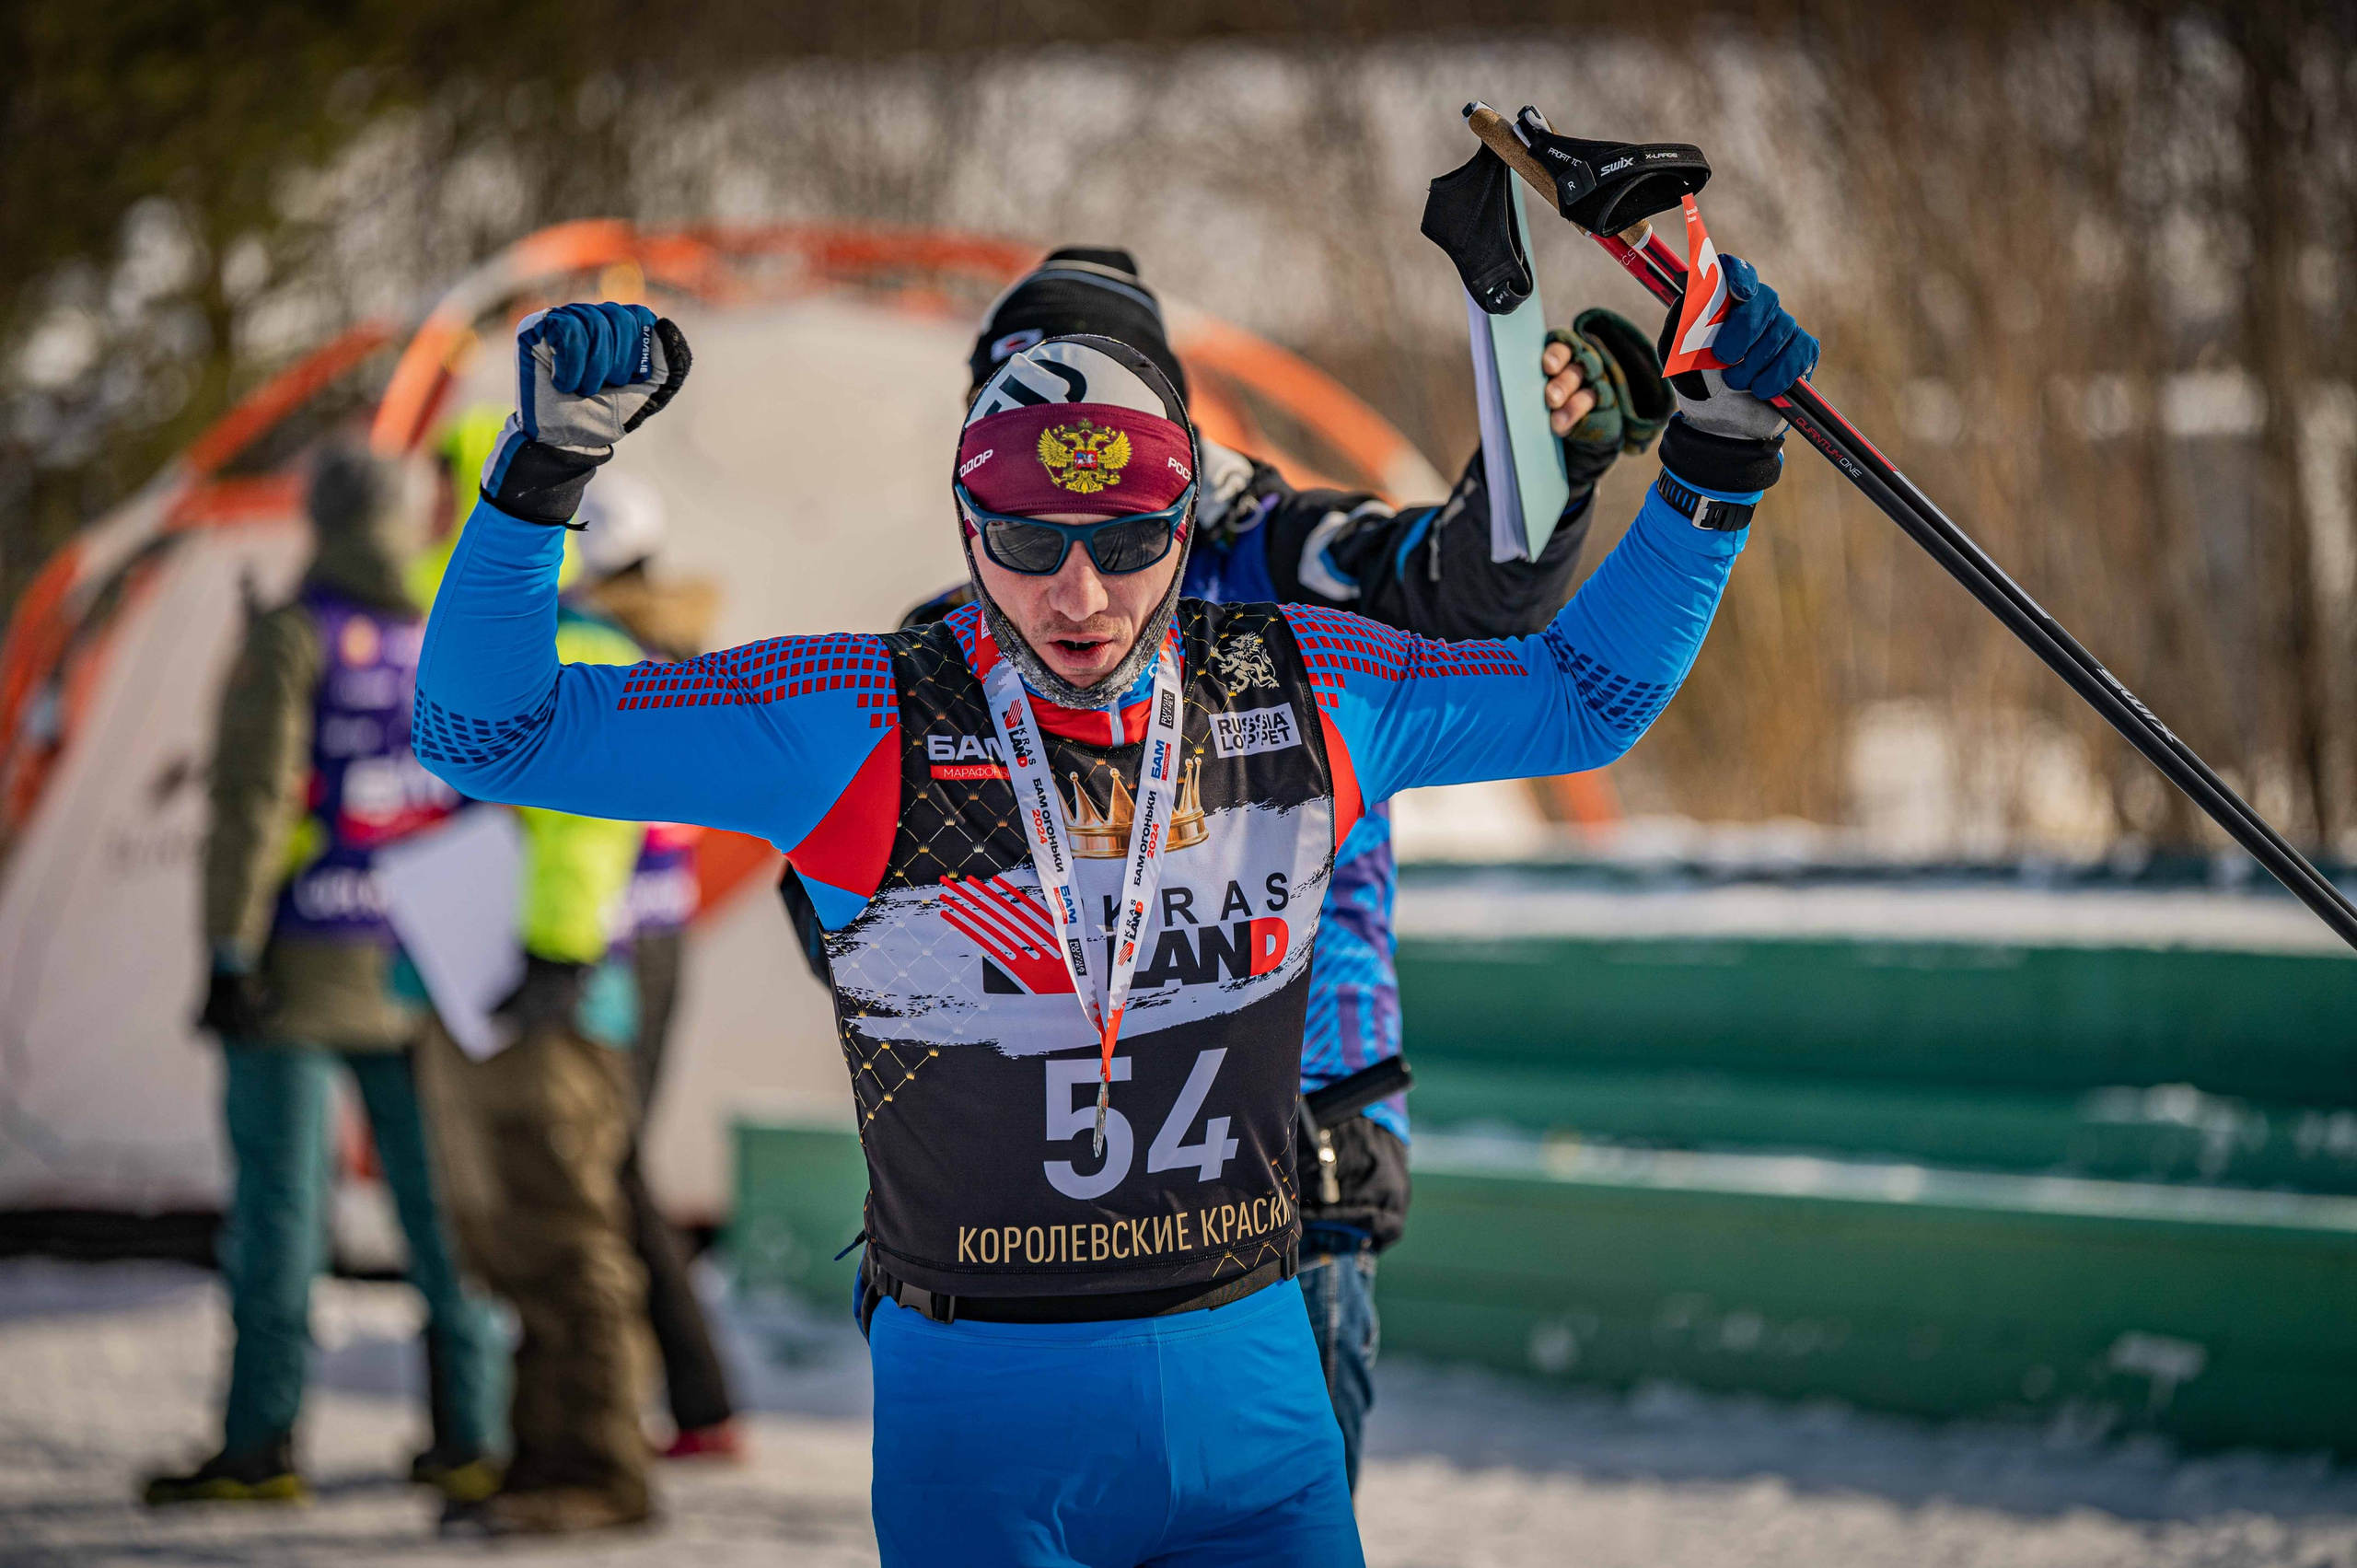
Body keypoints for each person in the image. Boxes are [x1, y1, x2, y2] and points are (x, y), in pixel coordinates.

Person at [414, 261, 1812, 1563]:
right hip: (989, 1423)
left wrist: (1721, 456)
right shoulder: (857, 713)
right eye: (1028, 539)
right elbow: (486, 731)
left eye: (1127, 539)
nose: (1080, 594)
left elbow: (1585, 695)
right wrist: (543, 474)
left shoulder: (1303, 680)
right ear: (970, 524)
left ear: (1185, 514)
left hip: (1254, 1399)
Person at [860, 247, 1669, 1487]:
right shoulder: (943, 639)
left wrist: (1547, 453)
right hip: (1036, 1197)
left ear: (1166, 420)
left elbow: (1468, 583)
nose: (1066, 459)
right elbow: (852, 922)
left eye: (1098, 414)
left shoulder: (1274, 548)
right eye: (1022, 422)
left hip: (1294, 1147)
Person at [145, 445, 505, 1507]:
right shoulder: (440, 633)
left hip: (296, 976)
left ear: (319, 516)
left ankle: (261, 1445)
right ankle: (469, 1433)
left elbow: (254, 805)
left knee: (282, 1214)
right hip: (421, 968)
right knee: (440, 1214)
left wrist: (224, 951)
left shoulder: (294, 634)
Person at [411, 426, 656, 1536]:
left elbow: (595, 819)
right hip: (482, 984)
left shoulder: (587, 646)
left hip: (545, 994)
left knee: (563, 1233)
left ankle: (599, 1464)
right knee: (509, 1233)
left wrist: (556, 953)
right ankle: (541, 1454)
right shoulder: (489, 642)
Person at [573, 474, 745, 1461]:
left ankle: (693, 1394)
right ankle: (683, 1394)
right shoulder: (685, 643)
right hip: (659, 931)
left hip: (609, 937)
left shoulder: (604, 648)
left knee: (609, 1162)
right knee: (611, 1157)